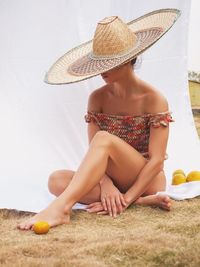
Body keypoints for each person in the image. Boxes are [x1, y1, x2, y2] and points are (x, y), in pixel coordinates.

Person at [17, 9, 180, 230]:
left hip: (148, 180)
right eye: (100, 62)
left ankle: (62, 208)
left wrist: (130, 196)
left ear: (127, 60)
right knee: (56, 180)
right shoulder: (97, 98)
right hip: (114, 179)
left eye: (109, 62)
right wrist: (106, 184)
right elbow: (95, 151)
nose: (101, 70)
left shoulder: (154, 99)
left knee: (104, 138)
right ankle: (138, 202)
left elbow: (157, 160)